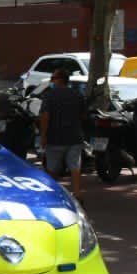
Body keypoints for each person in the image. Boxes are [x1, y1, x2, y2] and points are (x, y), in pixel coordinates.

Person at [38, 63, 87, 201]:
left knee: (52, 168)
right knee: (75, 167)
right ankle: (77, 193)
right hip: (75, 137)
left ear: (59, 79)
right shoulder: (77, 94)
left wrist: (43, 135)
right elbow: (83, 115)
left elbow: (45, 116)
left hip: (55, 137)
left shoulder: (49, 95)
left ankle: (52, 193)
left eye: (53, 78)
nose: (51, 80)